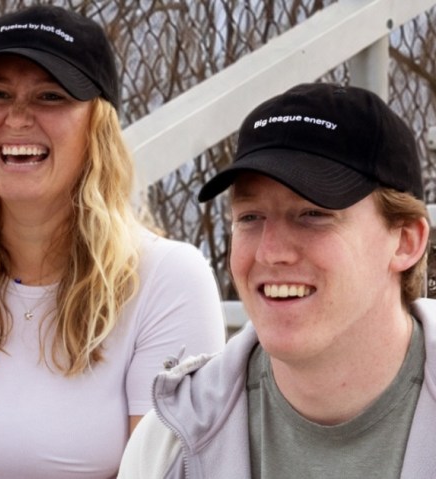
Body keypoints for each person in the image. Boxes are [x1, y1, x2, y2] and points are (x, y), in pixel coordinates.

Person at [0, 5, 227, 478]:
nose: (16, 118)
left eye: (50, 97)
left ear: (98, 126)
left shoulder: (168, 278)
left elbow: (162, 470)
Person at [118, 82, 436, 478]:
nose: (270, 252)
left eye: (312, 215)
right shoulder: (169, 443)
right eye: (250, 218)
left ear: (406, 241)